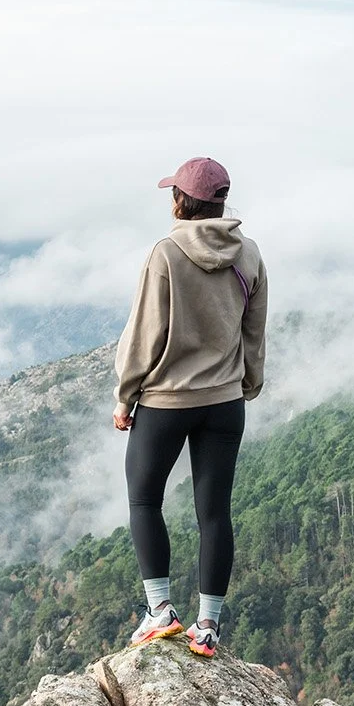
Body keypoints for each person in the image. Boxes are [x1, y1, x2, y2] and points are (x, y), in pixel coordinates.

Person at [113, 156, 267, 658]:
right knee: (214, 514)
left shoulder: (166, 253)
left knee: (143, 500)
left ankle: (160, 612)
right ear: (221, 201)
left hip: (166, 401)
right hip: (224, 403)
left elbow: (144, 334)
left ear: (182, 201)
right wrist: (247, 383)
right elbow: (253, 331)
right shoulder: (250, 255)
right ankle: (208, 627)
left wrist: (126, 395)